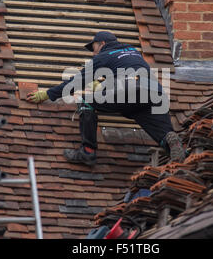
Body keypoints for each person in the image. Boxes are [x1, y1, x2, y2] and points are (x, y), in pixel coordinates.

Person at [26, 31, 186, 167]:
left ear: (102, 43)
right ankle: (171, 143)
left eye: (93, 47)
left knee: (86, 101)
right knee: (161, 132)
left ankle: (87, 152)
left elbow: (78, 80)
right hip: (153, 92)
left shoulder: (104, 56)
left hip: (129, 91)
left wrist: (49, 94)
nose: (93, 52)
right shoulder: (134, 51)